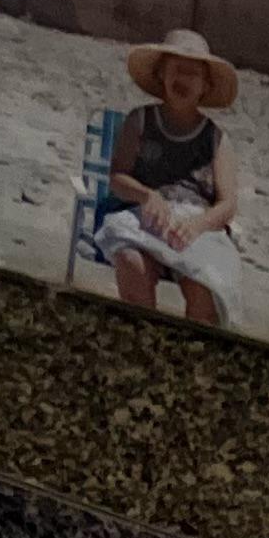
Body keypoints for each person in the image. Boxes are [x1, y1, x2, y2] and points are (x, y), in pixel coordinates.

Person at [84, 29, 242, 328]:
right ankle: (143, 336)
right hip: (145, 217)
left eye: (193, 74)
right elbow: (117, 177)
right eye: (176, 69)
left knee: (204, 288)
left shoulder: (216, 139)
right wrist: (146, 195)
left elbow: (227, 204)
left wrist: (198, 225)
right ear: (161, 74)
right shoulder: (139, 121)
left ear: (205, 85)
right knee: (131, 262)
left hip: (195, 227)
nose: (183, 79)